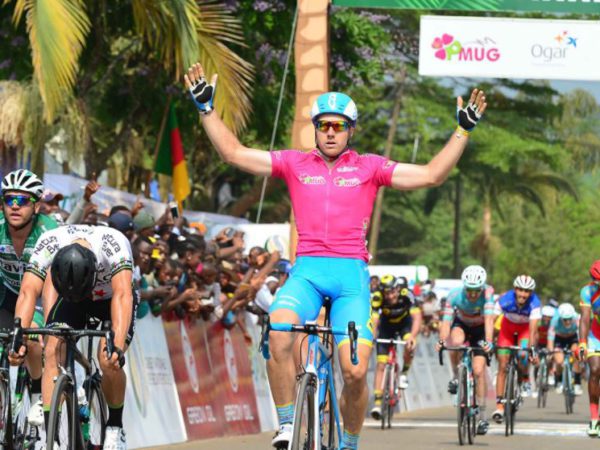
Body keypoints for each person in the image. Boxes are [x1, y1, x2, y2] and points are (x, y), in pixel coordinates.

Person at [184, 61, 487, 450]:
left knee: (355, 372)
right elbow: (233, 153)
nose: (330, 132)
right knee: (278, 330)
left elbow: (432, 175)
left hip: (351, 280)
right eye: (323, 125)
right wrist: (206, 110)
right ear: (315, 129)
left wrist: (462, 131)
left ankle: (349, 443)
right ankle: (287, 424)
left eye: (338, 126)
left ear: (350, 130)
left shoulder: (369, 167)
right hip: (307, 274)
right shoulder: (294, 163)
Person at [10, 224, 137, 450]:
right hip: (71, 298)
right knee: (52, 349)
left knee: (108, 359)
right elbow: (28, 290)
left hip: (111, 300)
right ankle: (49, 437)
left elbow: (123, 295)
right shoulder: (49, 242)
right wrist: (18, 336)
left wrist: (116, 347)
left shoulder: (113, 245)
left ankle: (115, 426)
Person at [0, 169, 56, 436]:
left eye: (22, 200)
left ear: (36, 206)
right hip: (8, 293)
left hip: (42, 295)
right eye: (8, 199)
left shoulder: (49, 231)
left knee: (31, 336)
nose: (14, 206)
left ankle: (36, 394)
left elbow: (54, 286)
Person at [436, 265, 494, 435]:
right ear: (464, 286)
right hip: (461, 325)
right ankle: (456, 376)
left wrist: (489, 342)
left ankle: (482, 416)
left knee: (478, 371)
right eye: (470, 290)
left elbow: (489, 320)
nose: (473, 294)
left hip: (480, 330)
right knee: (455, 342)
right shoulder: (454, 295)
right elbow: (446, 322)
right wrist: (442, 340)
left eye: (477, 290)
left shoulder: (488, 294)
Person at [370, 275, 421, 420]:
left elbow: (417, 318)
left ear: (398, 289)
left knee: (410, 345)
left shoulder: (407, 294)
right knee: (381, 364)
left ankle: (404, 372)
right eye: (387, 294)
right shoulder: (377, 297)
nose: (390, 296)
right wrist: (372, 337)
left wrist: (412, 336)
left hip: (405, 324)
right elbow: (374, 319)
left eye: (392, 292)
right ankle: (377, 403)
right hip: (386, 327)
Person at [492, 275, 541, 423]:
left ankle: (524, 378)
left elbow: (532, 330)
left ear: (531, 293)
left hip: (524, 331)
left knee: (523, 355)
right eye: (520, 290)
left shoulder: (535, 303)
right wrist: (488, 340)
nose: (523, 294)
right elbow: (492, 321)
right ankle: (499, 406)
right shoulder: (505, 299)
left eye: (527, 291)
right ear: (515, 289)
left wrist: (532, 350)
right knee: (502, 365)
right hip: (506, 330)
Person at [578, 260, 600, 436]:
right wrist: (582, 343)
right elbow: (585, 318)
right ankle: (594, 419)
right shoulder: (587, 291)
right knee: (595, 370)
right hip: (596, 335)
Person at [548, 303, 582, 396]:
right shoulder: (555, 320)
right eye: (565, 319)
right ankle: (559, 381)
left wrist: (582, 347)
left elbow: (581, 335)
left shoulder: (577, 318)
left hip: (572, 338)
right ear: (560, 317)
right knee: (559, 361)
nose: (568, 322)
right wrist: (551, 351)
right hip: (559, 339)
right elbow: (550, 337)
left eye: (570, 319)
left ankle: (577, 383)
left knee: (577, 356)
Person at [538, 304, 556, 385]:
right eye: (545, 316)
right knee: (537, 361)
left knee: (551, 358)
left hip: (550, 343)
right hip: (539, 343)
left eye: (549, 317)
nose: (547, 319)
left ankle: (551, 372)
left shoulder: (553, 325)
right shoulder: (538, 323)